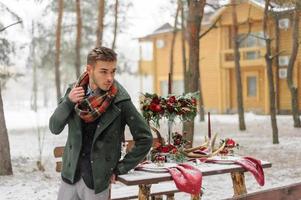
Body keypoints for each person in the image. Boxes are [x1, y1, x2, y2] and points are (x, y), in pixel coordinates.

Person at [49, 46, 153, 200]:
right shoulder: (74, 92)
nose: (110, 77)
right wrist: (68, 102)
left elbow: (145, 138)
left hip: (96, 182)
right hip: (70, 177)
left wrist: (120, 168)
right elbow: (54, 127)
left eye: (113, 71)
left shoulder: (121, 100)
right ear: (89, 70)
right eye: (104, 71)